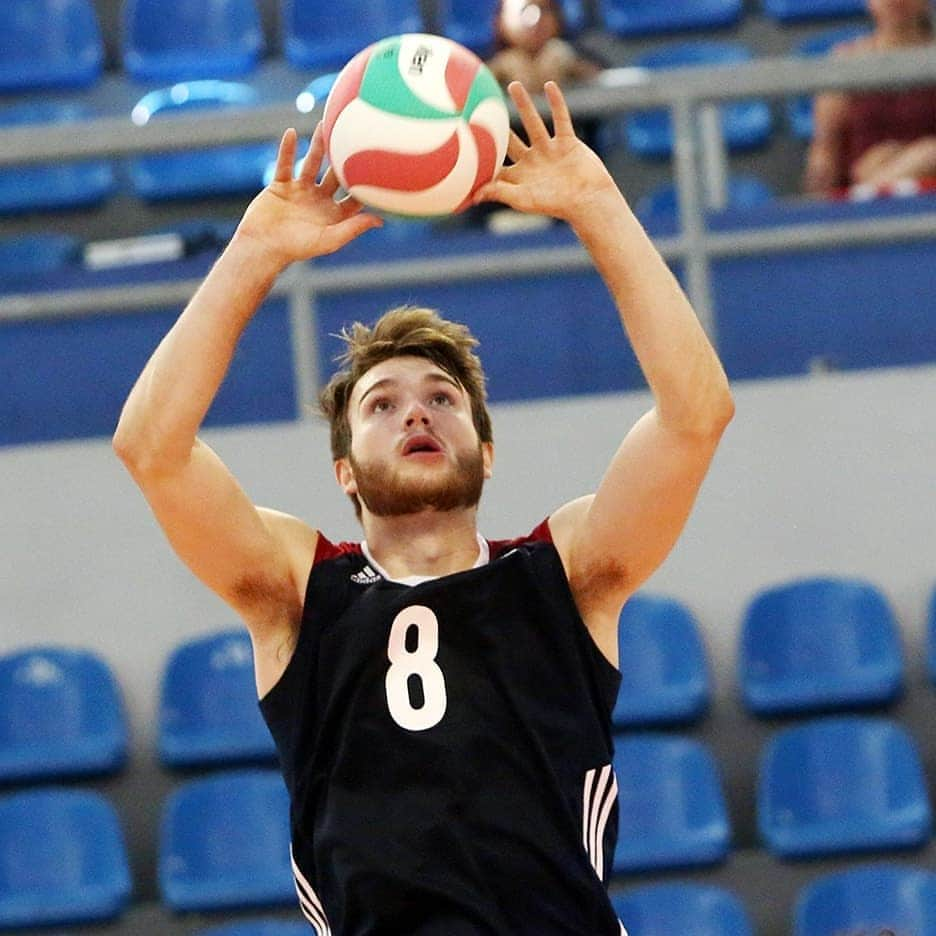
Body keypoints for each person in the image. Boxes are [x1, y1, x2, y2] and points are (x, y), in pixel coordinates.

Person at [114, 80, 734, 935]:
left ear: (486, 448)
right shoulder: (301, 590)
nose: (416, 411)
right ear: (343, 472)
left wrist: (597, 206)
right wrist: (253, 250)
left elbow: (697, 417)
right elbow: (150, 448)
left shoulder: (565, 570)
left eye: (443, 398)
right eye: (382, 403)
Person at [804, 0, 936, 195]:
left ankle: (873, 186)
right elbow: (824, 154)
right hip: (863, 209)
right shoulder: (845, 63)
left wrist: (905, 159)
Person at [487, 0, 602, 90]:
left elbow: (603, 78)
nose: (536, 20)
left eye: (544, 10)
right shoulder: (486, 60)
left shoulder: (578, 51)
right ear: (499, 21)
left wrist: (571, 65)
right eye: (523, 10)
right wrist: (498, 71)